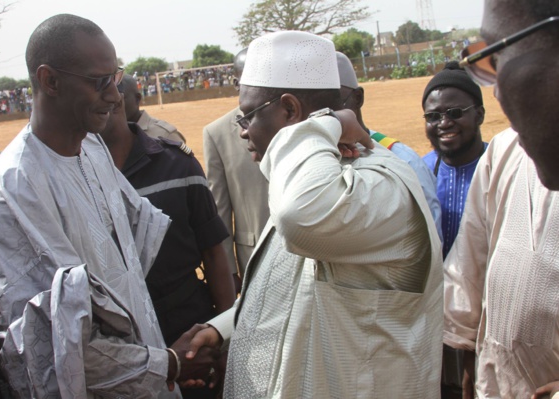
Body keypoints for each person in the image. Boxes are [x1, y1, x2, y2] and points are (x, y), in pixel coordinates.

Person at [186, 31, 443, 398]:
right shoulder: (312, 179)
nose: (243, 133)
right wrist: (222, 328)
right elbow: (288, 293)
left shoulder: (375, 184)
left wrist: (325, 125)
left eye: (248, 117)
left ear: (290, 111)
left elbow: (300, 218)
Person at [0, 14, 216, 398]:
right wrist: (167, 364)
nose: (115, 96)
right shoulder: (15, 187)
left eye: (116, 78)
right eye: (99, 82)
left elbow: (125, 276)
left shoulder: (91, 148)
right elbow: (55, 343)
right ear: (49, 80)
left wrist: (161, 365)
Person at [444, 1, 559, 398]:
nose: (496, 93)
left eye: (496, 58)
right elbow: (469, 266)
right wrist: (464, 356)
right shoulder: (506, 151)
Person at [100, 91, 236, 347]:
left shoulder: (178, 165)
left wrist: (225, 339)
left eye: (108, 82)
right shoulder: (67, 184)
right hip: (119, 346)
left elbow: (214, 253)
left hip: (191, 331)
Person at [336, 52, 442, 240]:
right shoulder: (314, 162)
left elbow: (432, 241)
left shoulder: (404, 161)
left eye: (335, 104)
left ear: (358, 98)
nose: (330, 118)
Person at [202, 48, 269, 290]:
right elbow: (220, 209)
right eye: (249, 78)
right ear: (235, 83)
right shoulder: (216, 134)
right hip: (255, 258)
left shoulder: (294, 118)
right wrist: (229, 271)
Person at [421, 61, 487, 259]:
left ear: (479, 115)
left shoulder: (501, 167)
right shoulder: (420, 172)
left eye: (455, 113)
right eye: (433, 116)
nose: (444, 123)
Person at [121, 74, 187, 143]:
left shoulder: (165, 135)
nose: (113, 104)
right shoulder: (112, 134)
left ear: (137, 99)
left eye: (120, 99)